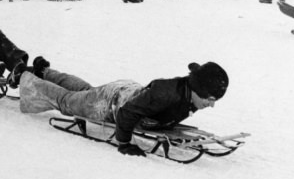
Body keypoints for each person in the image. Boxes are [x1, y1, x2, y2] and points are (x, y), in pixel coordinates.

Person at [18, 61, 229, 157]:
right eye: (210, 99)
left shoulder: (189, 91)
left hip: (125, 92)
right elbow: (127, 112)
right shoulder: (167, 93)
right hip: (110, 104)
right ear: (198, 90)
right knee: (67, 103)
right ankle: (24, 78)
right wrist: (124, 142)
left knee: (85, 91)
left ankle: (44, 71)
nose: (211, 105)